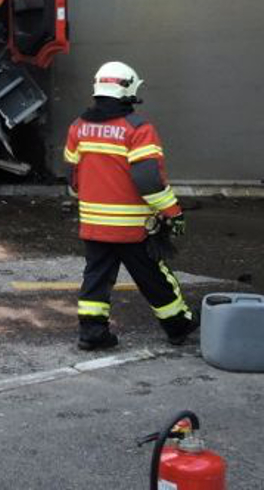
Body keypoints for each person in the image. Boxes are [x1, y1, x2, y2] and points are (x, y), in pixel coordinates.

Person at [64, 61, 197, 350]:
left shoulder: (78, 127)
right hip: (133, 228)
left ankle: (92, 333)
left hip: (94, 225)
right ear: (128, 89)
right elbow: (148, 180)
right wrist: (173, 212)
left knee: (96, 278)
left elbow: (72, 178)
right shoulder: (138, 129)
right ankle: (177, 325)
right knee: (153, 277)